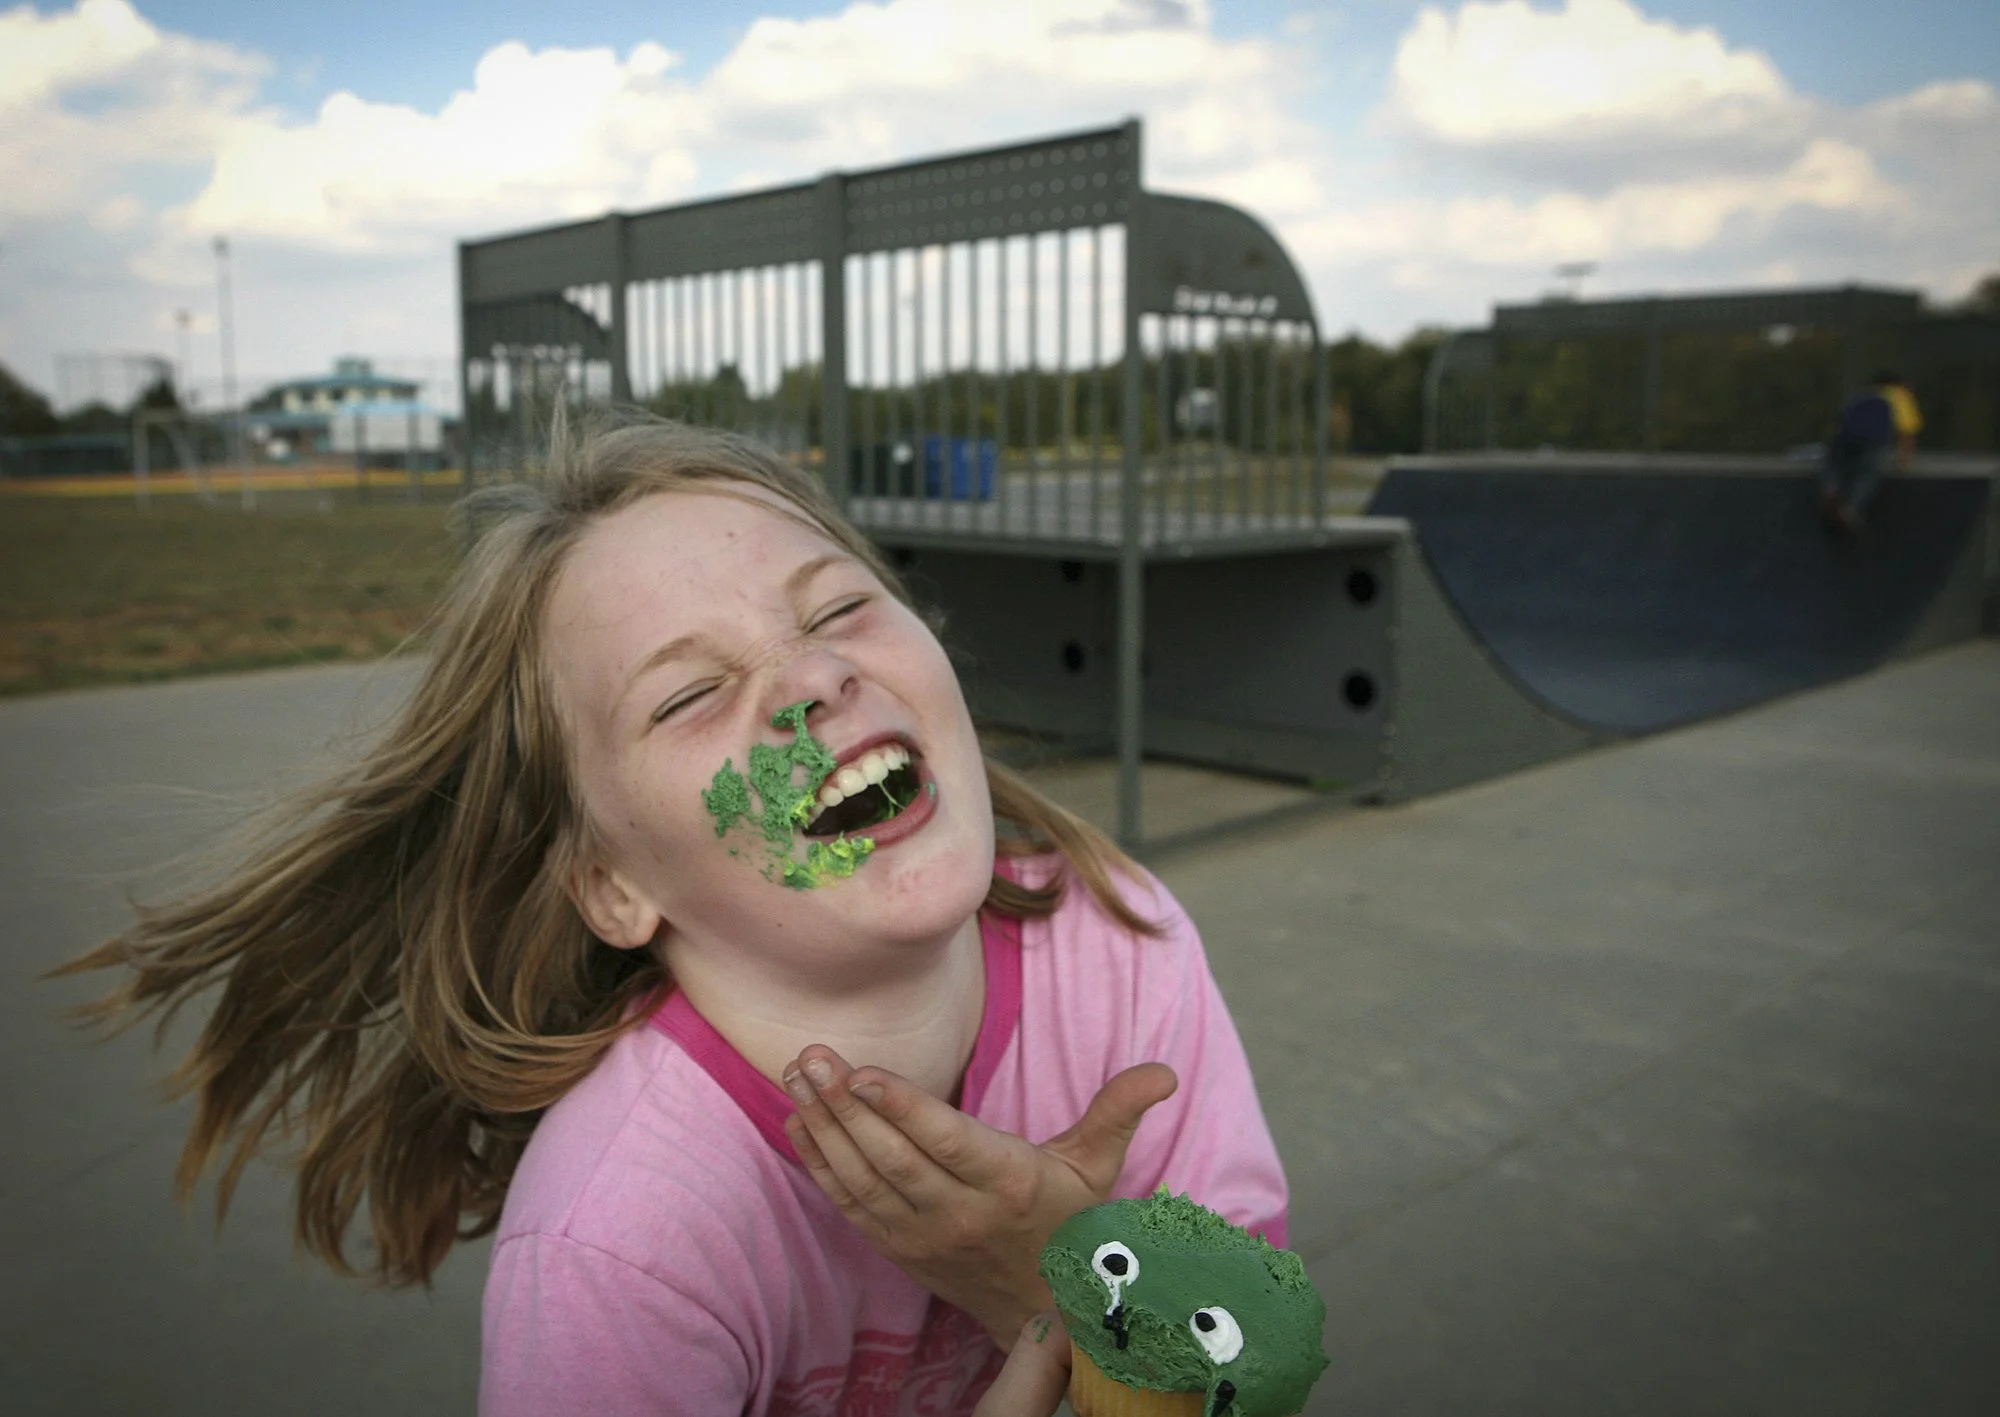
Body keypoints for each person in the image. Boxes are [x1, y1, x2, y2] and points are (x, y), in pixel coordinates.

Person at [60, 414, 1288, 1416]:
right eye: (693, 691)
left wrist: (1060, 1282)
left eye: (835, 610)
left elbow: (1265, 1374)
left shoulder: (1122, 945)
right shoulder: (618, 1244)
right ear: (610, 884)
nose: (813, 679)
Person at [1821, 371, 1921, 532]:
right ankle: (1850, 508)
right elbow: (1906, 432)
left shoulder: (1862, 395)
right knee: (1868, 473)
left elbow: (1836, 426)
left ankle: (1830, 489)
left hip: (1843, 439)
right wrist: (1905, 461)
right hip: (1873, 439)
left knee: (1835, 466)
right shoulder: (1900, 396)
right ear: (1899, 384)